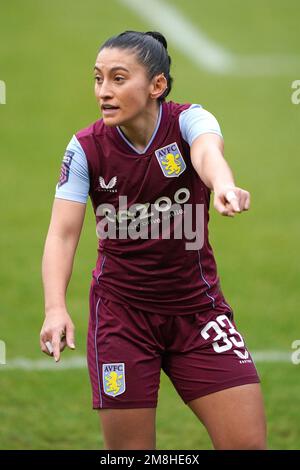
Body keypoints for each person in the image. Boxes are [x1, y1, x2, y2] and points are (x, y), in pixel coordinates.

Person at [40, 30, 267, 450]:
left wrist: (223, 185)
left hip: (199, 314)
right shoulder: (85, 148)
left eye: (118, 78)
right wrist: (55, 308)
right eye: (98, 78)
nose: (103, 92)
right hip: (122, 320)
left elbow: (207, 152)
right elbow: (62, 232)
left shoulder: (189, 120)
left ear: (157, 86)